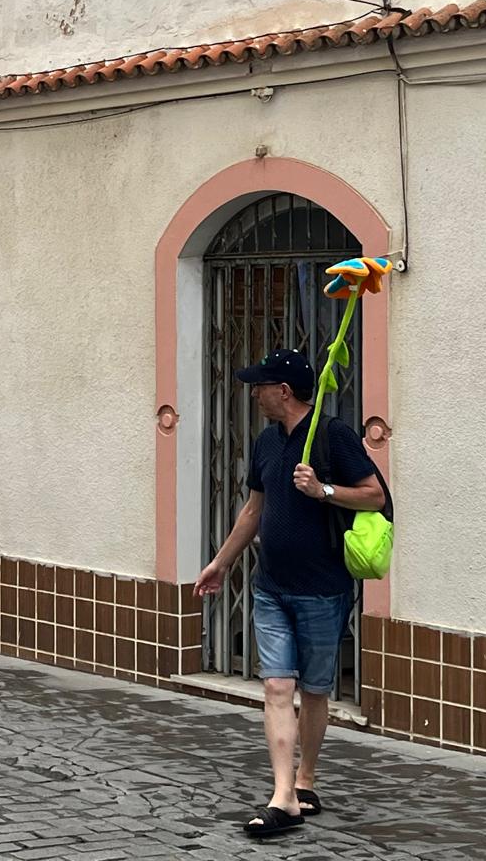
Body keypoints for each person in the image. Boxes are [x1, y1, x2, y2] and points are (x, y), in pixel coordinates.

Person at [196, 349, 386, 839]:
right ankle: (283, 795)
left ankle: (306, 781)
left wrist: (322, 490)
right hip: (272, 587)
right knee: (277, 687)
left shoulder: (332, 434)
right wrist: (221, 563)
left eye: (261, 386)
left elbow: (375, 495)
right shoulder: (266, 442)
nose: (254, 393)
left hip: (324, 589)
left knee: (315, 691)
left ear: (283, 391)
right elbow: (253, 510)